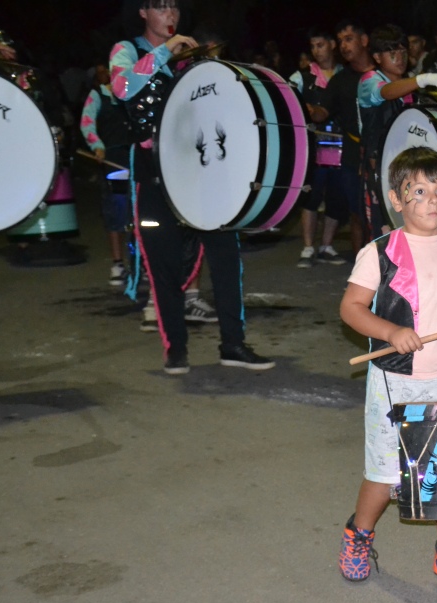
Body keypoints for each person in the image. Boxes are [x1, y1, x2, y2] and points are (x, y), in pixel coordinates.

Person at [337, 147, 437, 587]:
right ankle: (358, 534)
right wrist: (390, 331)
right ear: (396, 199)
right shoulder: (381, 252)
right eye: (420, 191)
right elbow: (351, 308)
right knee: (386, 472)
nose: (433, 201)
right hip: (396, 381)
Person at [110, 0, 273, 374]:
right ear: (143, 13)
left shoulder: (191, 56)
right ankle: (176, 349)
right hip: (153, 173)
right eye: (161, 7)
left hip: (201, 172)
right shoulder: (126, 50)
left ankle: (233, 344)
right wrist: (166, 52)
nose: (171, 15)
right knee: (163, 263)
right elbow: (121, 87)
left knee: (226, 255)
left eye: (175, 8)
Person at [357, 24, 437, 239]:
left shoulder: (408, 84)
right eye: (392, 53)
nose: (400, 58)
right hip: (379, 170)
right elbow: (384, 93)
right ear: (377, 57)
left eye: (403, 51)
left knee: (412, 231)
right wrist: (422, 79)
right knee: (382, 232)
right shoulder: (369, 80)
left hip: (407, 170)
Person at [293, 27, 347, 268]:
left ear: (332, 45)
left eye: (321, 45)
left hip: (342, 145)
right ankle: (307, 247)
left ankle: (326, 246)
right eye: (313, 46)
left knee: (336, 196)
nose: (316, 50)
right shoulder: (302, 77)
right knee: (311, 195)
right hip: (312, 146)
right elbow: (288, 100)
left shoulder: (346, 75)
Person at [322, 19, 374, 255]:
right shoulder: (340, 80)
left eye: (349, 39)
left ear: (364, 40)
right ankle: (361, 266)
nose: (343, 45)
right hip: (353, 155)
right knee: (357, 214)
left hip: (384, 154)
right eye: (340, 40)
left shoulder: (382, 75)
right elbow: (321, 112)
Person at [80, 63, 134, 286]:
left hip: (135, 157)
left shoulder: (130, 91)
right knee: (116, 209)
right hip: (113, 160)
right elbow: (87, 124)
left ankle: (142, 262)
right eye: (101, 71)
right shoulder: (97, 96)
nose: (106, 74)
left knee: (140, 211)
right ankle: (118, 264)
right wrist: (97, 146)